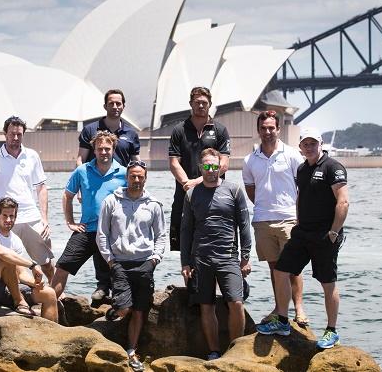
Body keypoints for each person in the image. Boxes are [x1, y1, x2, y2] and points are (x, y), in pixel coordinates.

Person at [255, 127, 349, 350]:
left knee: (327, 283)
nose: (309, 147)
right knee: (281, 271)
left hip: (325, 234)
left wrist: (334, 232)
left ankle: (331, 331)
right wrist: (298, 222)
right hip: (302, 232)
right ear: (300, 147)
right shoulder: (302, 168)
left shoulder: (333, 167)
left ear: (321, 144)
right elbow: (300, 197)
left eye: (313, 143)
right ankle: (283, 321)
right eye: (305, 144)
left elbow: (343, 201)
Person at [180, 148, 251, 360]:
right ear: (201, 168)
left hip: (228, 256)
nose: (211, 170)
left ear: (221, 166)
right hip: (201, 257)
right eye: (207, 166)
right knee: (206, 305)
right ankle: (214, 351)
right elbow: (186, 231)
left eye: (215, 166)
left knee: (236, 302)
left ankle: (235, 350)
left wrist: (245, 257)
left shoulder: (234, 190)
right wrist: (185, 263)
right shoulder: (192, 194)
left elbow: (244, 225)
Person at [96, 160, 166, 372]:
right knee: (126, 309)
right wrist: (111, 261)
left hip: (145, 264)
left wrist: (154, 260)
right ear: (127, 177)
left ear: (145, 178)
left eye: (140, 177)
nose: (136, 180)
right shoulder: (111, 201)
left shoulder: (153, 204)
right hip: (120, 265)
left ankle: (131, 351)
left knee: (139, 311)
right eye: (133, 176)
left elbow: (161, 236)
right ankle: (114, 312)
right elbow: (102, 234)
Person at [242, 110, 308, 326]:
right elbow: (251, 191)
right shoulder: (250, 160)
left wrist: (299, 215)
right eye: (264, 128)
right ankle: (281, 309)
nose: (268, 132)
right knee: (274, 268)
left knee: (293, 267)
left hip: (289, 218)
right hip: (263, 220)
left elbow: (303, 187)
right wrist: (264, 205)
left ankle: (299, 309)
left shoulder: (291, 155)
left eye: (272, 128)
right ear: (258, 130)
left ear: (278, 129)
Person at [51, 131, 127, 303]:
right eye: (100, 149)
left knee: (116, 274)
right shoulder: (82, 171)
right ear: (94, 149)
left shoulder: (123, 173)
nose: (104, 152)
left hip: (111, 233)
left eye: (107, 149)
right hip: (86, 230)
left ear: (113, 149)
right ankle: (47, 307)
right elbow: (67, 196)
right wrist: (70, 222)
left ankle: (113, 309)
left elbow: (133, 201)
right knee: (62, 267)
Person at [0, 115, 55, 283]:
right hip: (5, 219)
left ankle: (56, 293)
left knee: (46, 262)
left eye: (19, 134)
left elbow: (41, 188)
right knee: (7, 263)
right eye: (12, 134)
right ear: (5, 133)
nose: (15, 138)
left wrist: (45, 219)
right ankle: (14, 297)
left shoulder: (32, 156)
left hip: (31, 217)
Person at [169, 86, 230, 251]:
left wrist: (198, 181)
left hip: (214, 196)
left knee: (214, 245)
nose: (201, 106)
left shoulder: (220, 130)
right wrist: (187, 184)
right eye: (197, 102)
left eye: (204, 102)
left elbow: (223, 164)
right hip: (184, 195)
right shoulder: (179, 130)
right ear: (191, 103)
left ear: (210, 103)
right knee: (185, 247)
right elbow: (174, 162)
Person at [77, 89, 140, 167]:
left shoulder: (131, 133)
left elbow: (136, 161)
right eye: (111, 103)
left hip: (121, 178)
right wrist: (80, 177)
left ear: (123, 106)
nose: (115, 107)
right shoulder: (89, 130)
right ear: (105, 106)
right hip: (94, 178)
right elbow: (81, 159)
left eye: (118, 104)